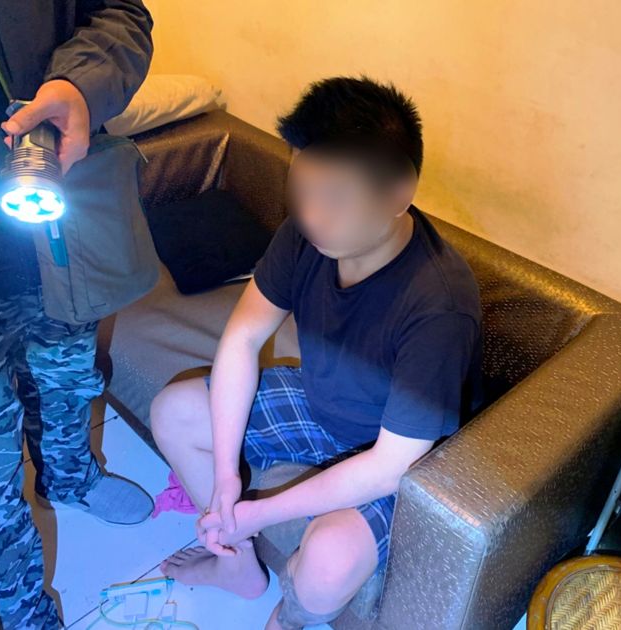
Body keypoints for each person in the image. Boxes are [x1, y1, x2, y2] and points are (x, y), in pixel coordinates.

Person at [152, 76, 484, 630]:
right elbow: (242, 339)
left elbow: (390, 466)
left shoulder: (438, 305)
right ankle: (237, 567)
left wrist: (257, 511)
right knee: (174, 410)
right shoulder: (304, 235)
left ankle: (292, 618)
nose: (313, 215)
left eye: (336, 198)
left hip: (402, 458)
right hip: (319, 407)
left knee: (327, 561)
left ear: (398, 193)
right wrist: (226, 480)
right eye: (303, 190)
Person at [0, 2, 154, 628]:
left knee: (70, 373)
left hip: (56, 224)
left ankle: (71, 476)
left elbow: (120, 14)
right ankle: (22, 611)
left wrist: (80, 85)